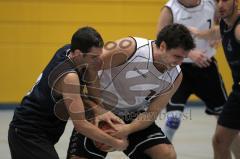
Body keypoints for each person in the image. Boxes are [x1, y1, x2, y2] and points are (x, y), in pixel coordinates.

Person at [66, 23, 195, 159]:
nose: (180, 63)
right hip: (100, 107)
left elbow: (152, 112)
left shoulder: (176, 76)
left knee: (166, 155)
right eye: (177, 56)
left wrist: (126, 129)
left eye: (183, 58)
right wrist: (99, 109)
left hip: (132, 115)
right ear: (162, 46)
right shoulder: (130, 48)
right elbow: (90, 67)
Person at [8, 26, 128, 159]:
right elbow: (81, 124)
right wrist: (116, 143)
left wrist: (100, 109)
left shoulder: (67, 50)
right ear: (78, 53)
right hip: (28, 132)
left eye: (99, 55)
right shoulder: (69, 77)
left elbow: (91, 88)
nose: (98, 60)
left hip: (41, 133)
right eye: (94, 57)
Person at [156, 0, 228, 141]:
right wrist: (188, 53)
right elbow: (160, 41)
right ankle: (163, 150)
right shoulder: (170, 9)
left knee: (226, 120)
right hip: (178, 68)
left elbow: (221, 26)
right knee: (173, 120)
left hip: (206, 67)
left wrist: (216, 36)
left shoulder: (212, 4)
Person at [190, 0, 240, 158]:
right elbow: (215, 32)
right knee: (220, 141)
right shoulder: (226, 26)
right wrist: (196, 33)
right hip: (238, 92)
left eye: (225, 0)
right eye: (216, 1)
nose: (220, 5)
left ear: (236, 2)